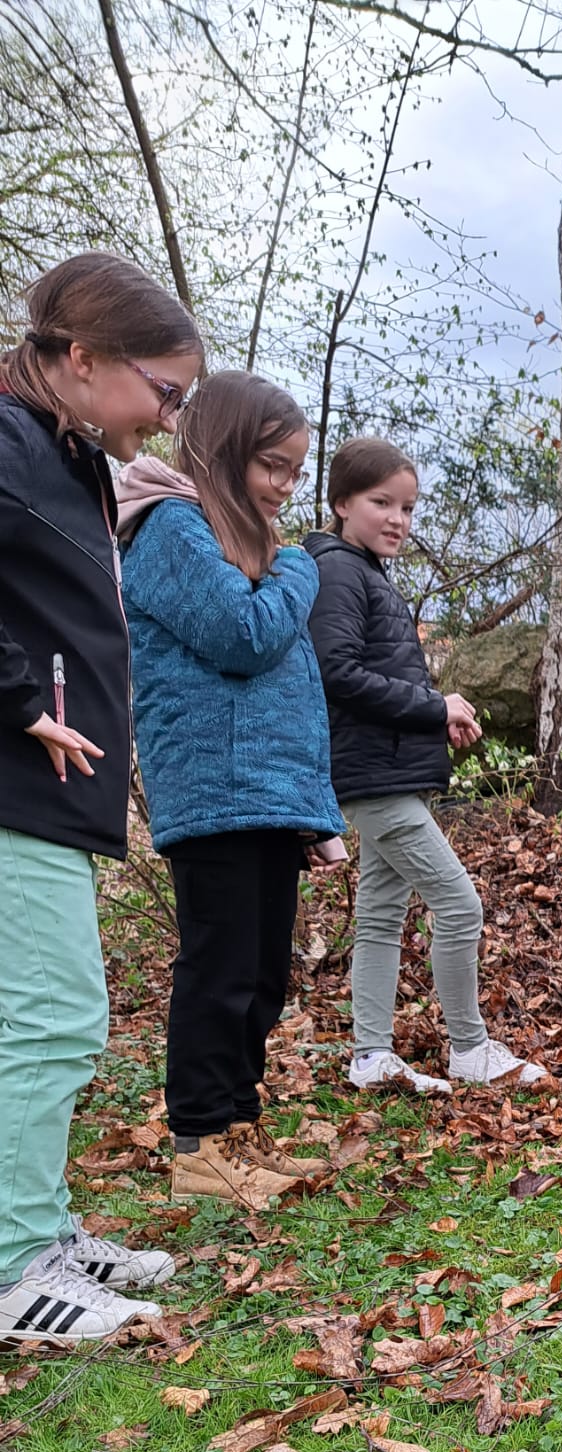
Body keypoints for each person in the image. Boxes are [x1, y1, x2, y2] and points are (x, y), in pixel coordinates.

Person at [0, 253, 202, 1345]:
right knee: (55, 1016)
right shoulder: (9, 444)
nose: (167, 418)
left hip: (49, 790)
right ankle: (13, 1268)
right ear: (83, 358)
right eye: (162, 391)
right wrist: (21, 699)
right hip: (16, 782)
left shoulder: (63, 455)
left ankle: (35, 1225)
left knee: (39, 1015)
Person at [118, 370, 346, 1210]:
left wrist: (308, 806)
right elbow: (243, 636)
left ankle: (239, 1125)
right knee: (220, 969)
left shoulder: (239, 538)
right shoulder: (172, 526)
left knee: (260, 973)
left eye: (295, 471)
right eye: (271, 466)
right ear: (222, 451)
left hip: (264, 791)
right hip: (216, 786)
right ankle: (200, 1144)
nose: (285, 486)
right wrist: (298, 574)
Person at [304, 438, 548, 1095]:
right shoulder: (339, 572)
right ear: (341, 503)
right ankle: (469, 1049)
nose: (398, 519)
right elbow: (336, 672)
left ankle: (370, 1057)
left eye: (408, 508)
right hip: (373, 779)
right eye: (381, 503)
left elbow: (375, 676)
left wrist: (437, 717)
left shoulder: (365, 572)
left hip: (385, 774)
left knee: (381, 915)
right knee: (460, 906)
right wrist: (435, 705)